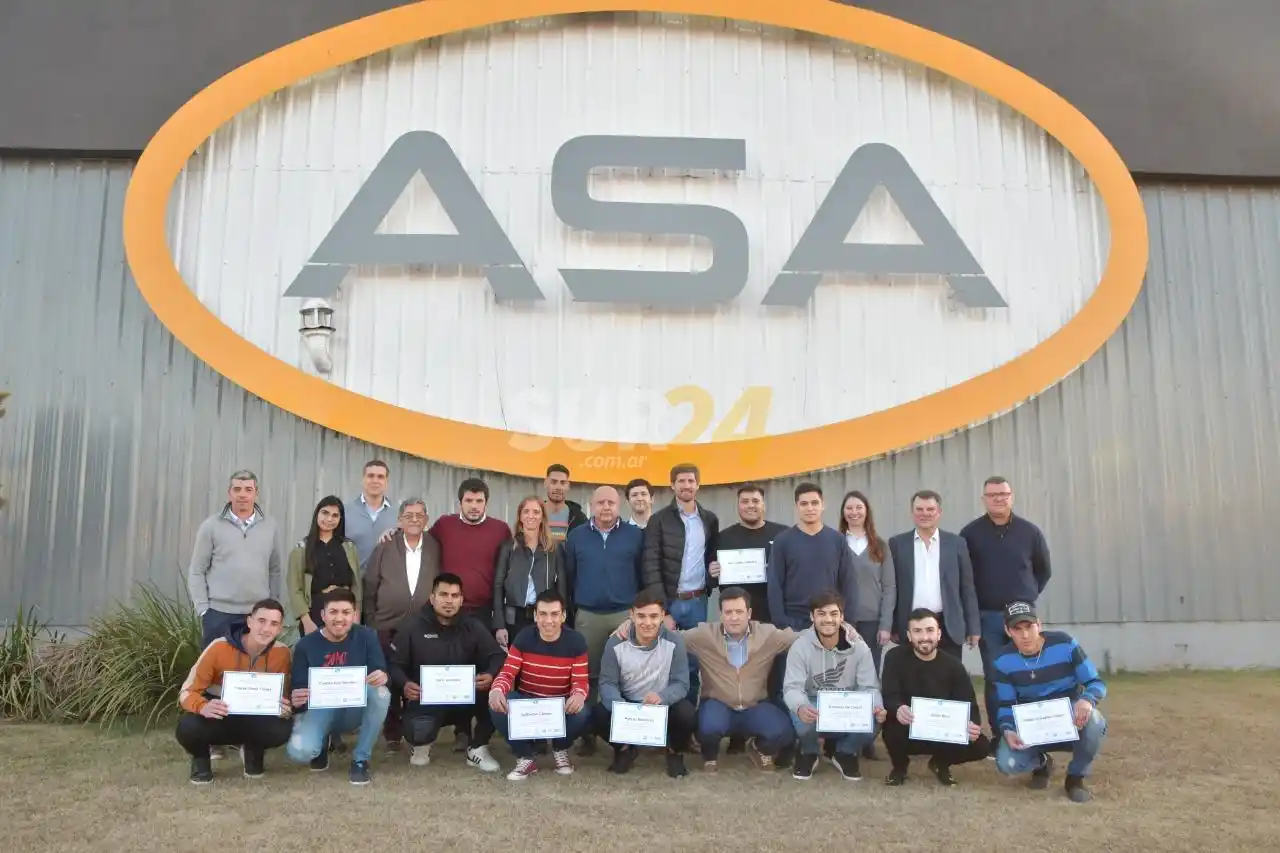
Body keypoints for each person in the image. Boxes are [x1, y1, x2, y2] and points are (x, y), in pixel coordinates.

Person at [960, 476, 1053, 748]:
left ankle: (1032, 729)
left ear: (1011, 496)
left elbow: (1043, 570)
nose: (998, 498)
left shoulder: (1030, 532)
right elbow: (966, 578)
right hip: (988, 617)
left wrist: (1027, 596)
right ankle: (1001, 734)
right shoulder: (970, 534)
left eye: (1003, 493)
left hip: (1023, 617)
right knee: (995, 676)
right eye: (992, 495)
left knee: (1029, 673)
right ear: (983, 499)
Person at [387, 573, 507, 773]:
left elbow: (497, 655)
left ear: (461, 599)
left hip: (467, 698)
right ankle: (421, 745)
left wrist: (491, 674)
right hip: (427, 699)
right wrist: (405, 684)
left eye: (454, 595)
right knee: (419, 732)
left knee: (495, 694)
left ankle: (478, 748)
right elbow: (394, 665)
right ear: (432, 598)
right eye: (443, 595)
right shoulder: (412, 627)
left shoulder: (473, 625)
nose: (449, 601)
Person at [992, 601, 1108, 803]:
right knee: (1006, 762)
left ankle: (1075, 777)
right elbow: (1006, 704)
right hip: (1033, 727)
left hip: (1071, 721)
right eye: (1017, 629)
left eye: (1029, 627)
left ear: (1039, 624)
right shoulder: (1002, 661)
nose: (1025, 635)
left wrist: (1087, 700)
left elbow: (1096, 683)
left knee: (1095, 721)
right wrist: (1008, 729)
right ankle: (1042, 763)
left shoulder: (1065, 644)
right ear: (1007, 631)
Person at [562, 485, 647, 755]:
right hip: (588, 616)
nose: (606, 507)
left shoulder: (635, 536)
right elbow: (570, 576)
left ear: (619, 505)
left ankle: (628, 733)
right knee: (589, 677)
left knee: (628, 676)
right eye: (601, 503)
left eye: (611, 502)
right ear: (592, 505)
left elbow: (642, 575)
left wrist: (637, 613)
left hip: (625, 615)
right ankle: (588, 733)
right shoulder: (576, 537)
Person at [175, 599, 293, 785]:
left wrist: (284, 707)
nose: (266, 628)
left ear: (279, 629)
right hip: (220, 715)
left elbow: (283, 695)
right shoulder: (219, 647)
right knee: (188, 727)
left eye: (274, 624)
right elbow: (187, 692)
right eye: (261, 621)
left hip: (255, 717)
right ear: (249, 622)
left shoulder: (282, 653)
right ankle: (200, 760)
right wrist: (203, 706)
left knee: (282, 727)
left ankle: (253, 751)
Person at [710, 483, 788, 758]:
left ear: (763, 504)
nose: (751, 505)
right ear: (738, 505)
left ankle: (771, 732)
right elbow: (712, 578)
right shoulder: (724, 537)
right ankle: (737, 736)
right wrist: (714, 571)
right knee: (738, 673)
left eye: (756, 500)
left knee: (771, 675)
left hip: (770, 614)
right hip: (736, 620)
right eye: (745, 501)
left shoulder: (781, 534)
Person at [685, 588, 799, 772]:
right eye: (728, 612)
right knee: (706, 728)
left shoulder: (767, 635)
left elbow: (799, 639)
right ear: (720, 614)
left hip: (754, 706)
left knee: (785, 732)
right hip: (718, 704)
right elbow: (672, 638)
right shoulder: (704, 635)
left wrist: (837, 628)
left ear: (749, 613)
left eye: (739, 612)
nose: (734, 617)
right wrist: (631, 625)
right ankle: (710, 756)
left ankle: (758, 747)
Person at [286, 589, 392, 785]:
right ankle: (322, 740)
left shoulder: (367, 636)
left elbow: (380, 671)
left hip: (352, 709)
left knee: (382, 693)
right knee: (300, 752)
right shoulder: (305, 645)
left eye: (346, 612)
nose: (339, 618)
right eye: (333, 612)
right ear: (323, 615)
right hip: (319, 709)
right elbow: (298, 688)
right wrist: (298, 697)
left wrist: (382, 676)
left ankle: (361, 759)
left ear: (354, 615)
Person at [487, 590, 592, 781]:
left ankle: (560, 748)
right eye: (543, 614)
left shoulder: (576, 642)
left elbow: (580, 681)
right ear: (535, 615)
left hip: (559, 706)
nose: (548, 620)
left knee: (583, 710)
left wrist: (577, 695)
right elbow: (507, 672)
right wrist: (496, 690)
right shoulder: (524, 637)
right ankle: (525, 757)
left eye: (554, 614)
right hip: (528, 704)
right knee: (497, 704)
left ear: (563, 616)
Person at [880, 608, 991, 787]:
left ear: (939, 634)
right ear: (909, 635)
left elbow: (968, 703)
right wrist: (898, 707)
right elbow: (888, 694)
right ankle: (899, 767)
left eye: (930, 630)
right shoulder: (895, 658)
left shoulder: (954, 665)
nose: (924, 637)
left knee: (981, 746)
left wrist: (972, 724)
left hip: (942, 732)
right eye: (917, 631)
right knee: (890, 723)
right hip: (908, 727)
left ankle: (941, 763)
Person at [363, 497, 440, 751]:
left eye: (419, 515)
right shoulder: (385, 547)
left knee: (415, 677)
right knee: (388, 677)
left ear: (426, 520)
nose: (414, 519)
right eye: (409, 515)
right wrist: (371, 621)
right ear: (399, 520)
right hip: (386, 623)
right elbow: (370, 586)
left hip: (420, 625)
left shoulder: (435, 547)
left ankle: (417, 728)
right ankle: (392, 731)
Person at [782, 591, 885, 782]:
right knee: (803, 719)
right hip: (813, 702)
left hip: (847, 704)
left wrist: (876, 706)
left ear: (842, 617)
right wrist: (801, 706)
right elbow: (792, 687)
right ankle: (808, 751)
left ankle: (844, 752)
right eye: (821, 614)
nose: (828, 619)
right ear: (812, 617)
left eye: (833, 614)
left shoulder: (860, 648)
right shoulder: (800, 646)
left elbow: (869, 686)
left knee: (875, 720)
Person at [593, 593, 696, 778]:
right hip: (628, 703)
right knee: (598, 714)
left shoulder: (675, 641)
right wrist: (621, 707)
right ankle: (624, 749)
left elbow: (681, 683)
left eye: (654, 616)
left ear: (663, 616)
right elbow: (607, 683)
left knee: (686, 713)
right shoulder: (615, 642)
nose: (647, 623)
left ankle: (674, 752)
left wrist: (662, 697)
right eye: (641, 616)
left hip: (660, 704)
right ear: (631, 615)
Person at [642, 463, 719, 700]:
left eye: (691, 481)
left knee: (693, 664)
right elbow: (651, 564)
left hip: (698, 601)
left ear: (698, 485)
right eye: (681, 481)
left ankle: (687, 724)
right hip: (670, 603)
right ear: (672, 485)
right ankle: (662, 722)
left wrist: (712, 576)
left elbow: (712, 557)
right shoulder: (659, 520)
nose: (686, 485)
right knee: (661, 662)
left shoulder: (709, 519)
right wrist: (661, 609)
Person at [187, 469, 282, 648]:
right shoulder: (211, 526)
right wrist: (203, 609)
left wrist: (273, 606)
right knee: (216, 672)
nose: (242, 495)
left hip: (258, 615)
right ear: (229, 493)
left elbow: (274, 569)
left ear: (256, 493)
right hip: (219, 614)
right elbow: (197, 570)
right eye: (237, 489)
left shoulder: (270, 526)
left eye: (248, 489)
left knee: (254, 671)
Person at [888, 490, 980, 660]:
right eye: (919, 509)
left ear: (939, 512)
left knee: (948, 681)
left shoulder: (956, 543)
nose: (925, 514)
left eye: (930, 509)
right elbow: (892, 588)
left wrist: (973, 627)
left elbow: (967, 588)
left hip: (948, 624)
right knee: (913, 680)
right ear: (912, 512)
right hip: (911, 624)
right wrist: (892, 625)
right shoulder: (897, 544)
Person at [767, 482, 858, 631]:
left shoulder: (837, 540)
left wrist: (848, 621)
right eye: (804, 504)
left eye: (814, 503)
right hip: (793, 624)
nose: (810, 508)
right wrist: (782, 623)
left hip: (830, 622)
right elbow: (775, 585)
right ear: (796, 507)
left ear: (823, 505)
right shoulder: (782, 541)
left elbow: (848, 583)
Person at [427, 478, 510, 629]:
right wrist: (396, 532)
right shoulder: (444, 525)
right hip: (448, 609)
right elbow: (419, 541)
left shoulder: (501, 530)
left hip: (484, 612)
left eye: (479, 501)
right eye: (469, 500)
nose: (474, 506)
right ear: (460, 503)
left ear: (486, 503)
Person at [493, 495, 566, 646]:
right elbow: (498, 585)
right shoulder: (508, 548)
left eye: (536, 512)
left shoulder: (553, 549)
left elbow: (562, 587)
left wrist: (561, 621)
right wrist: (499, 625)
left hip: (544, 618)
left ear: (542, 517)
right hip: (514, 619)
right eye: (526, 511)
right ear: (520, 516)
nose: (531, 516)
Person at [286, 495, 361, 636]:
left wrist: (355, 615)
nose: (329, 519)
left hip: (344, 614)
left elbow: (356, 585)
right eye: (325, 513)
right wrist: (306, 621)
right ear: (317, 514)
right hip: (315, 615)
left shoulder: (349, 547)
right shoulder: (302, 548)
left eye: (335, 515)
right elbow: (294, 588)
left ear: (340, 519)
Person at [344, 459, 397, 568]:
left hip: (386, 582)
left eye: (380, 477)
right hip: (353, 582)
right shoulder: (345, 511)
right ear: (363, 480)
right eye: (370, 476)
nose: (375, 480)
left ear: (386, 482)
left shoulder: (398, 515)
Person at [543, 463, 587, 543]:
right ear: (545, 483)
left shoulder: (579, 519)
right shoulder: (533, 514)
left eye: (563, 483)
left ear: (568, 486)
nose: (558, 487)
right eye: (554, 482)